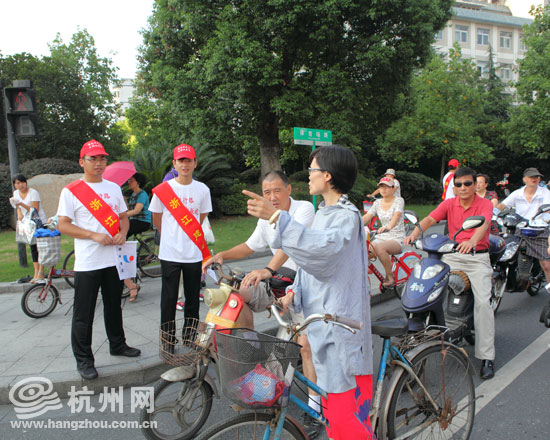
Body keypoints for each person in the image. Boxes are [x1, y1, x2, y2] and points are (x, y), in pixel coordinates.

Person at [243, 145, 374, 439]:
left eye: (312, 170)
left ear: (327, 175)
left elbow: (321, 254)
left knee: (346, 418)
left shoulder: (346, 216)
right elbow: (309, 261)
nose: (309, 176)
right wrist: (294, 291)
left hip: (340, 324)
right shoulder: (325, 212)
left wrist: (277, 218)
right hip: (323, 321)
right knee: (333, 410)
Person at [202, 171, 321, 432]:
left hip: (303, 284)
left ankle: (315, 407)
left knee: (305, 346)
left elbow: (289, 246)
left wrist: (267, 269)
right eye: (267, 192)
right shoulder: (265, 218)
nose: (272, 196)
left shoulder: (304, 209)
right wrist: (222, 255)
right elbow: (249, 246)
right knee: (236, 296)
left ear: (289, 189)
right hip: (277, 281)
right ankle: (253, 350)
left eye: (277, 190)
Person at [57, 139, 141, 381]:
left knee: (114, 306)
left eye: (102, 158)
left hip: (113, 260)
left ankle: (118, 344)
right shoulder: (71, 191)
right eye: (92, 158)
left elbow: (123, 218)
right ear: (81, 162)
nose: (98, 163)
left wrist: (123, 233)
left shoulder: (113, 188)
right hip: (88, 262)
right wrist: (93, 235)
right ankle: (84, 360)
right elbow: (63, 225)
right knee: (83, 313)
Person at [404, 166, 495, 380]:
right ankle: (431, 335)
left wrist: (472, 241)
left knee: (483, 304)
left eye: (467, 183)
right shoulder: (449, 203)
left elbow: (484, 224)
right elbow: (429, 219)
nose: (463, 188)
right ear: (453, 187)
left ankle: (487, 357)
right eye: (458, 184)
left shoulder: (485, 204)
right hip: (452, 255)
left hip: (477, 257)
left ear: (475, 185)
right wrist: (414, 234)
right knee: (427, 287)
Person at [149, 144, 212, 336]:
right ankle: (167, 339)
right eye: (181, 160)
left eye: (189, 160)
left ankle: (189, 336)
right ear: (174, 163)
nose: (185, 164)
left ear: (195, 163)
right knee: (168, 299)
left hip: (194, 254)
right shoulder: (163, 190)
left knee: (192, 299)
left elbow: (200, 218)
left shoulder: (202, 189)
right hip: (170, 254)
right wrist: (171, 235)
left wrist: (187, 234)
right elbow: (157, 219)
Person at [496, 167, 550, 283]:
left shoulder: (545, 193)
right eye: (531, 177)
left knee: (546, 264)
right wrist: (491, 213)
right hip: (520, 230)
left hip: (539, 231)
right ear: (524, 179)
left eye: (537, 177)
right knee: (505, 255)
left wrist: (544, 220)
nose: (534, 179)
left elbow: (548, 210)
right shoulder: (517, 194)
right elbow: (502, 206)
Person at [362, 176, 405, 287]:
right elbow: (368, 216)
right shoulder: (377, 203)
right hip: (382, 236)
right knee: (363, 250)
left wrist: (389, 227)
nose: (383, 189)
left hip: (396, 236)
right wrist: (355, 224)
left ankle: (390, 276)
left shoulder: (399, 200)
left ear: (393, 188)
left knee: (380, 248)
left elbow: (397, 215)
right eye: (381, 187)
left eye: (387, 187)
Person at [11, 174, 48, 283]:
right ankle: (36, 271)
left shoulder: (33, 193)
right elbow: (18, 208)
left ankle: (41, 272)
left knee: (40, 247)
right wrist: (19, 217)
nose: (21, 185)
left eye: (22, 182)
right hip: (28, 224)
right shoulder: (15, 193)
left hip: (39, 222)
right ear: (14, 185)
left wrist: (21, 203)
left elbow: (35, 210)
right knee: (32, 247)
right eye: (18, 183)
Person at [124, 172, 151, 301]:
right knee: (123, 226)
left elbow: (136, 211)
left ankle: (124, 249)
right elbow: (127, 210)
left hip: (143, 222)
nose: (129, 182)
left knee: (123, 231)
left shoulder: (142, 194)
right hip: (134, 220)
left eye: (131, 180)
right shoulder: (133, 195)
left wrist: (120, 216)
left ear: (138, 182)